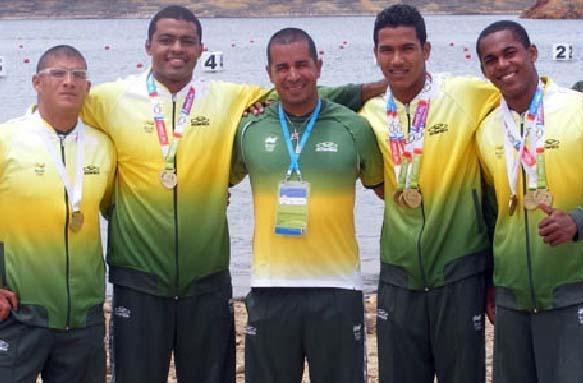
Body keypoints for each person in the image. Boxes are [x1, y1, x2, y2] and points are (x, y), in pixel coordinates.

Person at [81, 5, 385, 383]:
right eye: (167, 40)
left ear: (200, 48)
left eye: (187, 41)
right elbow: (57, 114)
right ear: (148, 46)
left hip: (208, 278)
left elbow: (296, 91)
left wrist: (376, 88)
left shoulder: (228, 99)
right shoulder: (109, 99)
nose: (177, 48)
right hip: (138, 277)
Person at [230, 27, 383, 383]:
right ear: (269, 74)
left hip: (338, 289)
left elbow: (383, 189)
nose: (293, 75)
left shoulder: (355, 128)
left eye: (302, 64)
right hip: (269, 288)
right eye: (282, 68)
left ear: (319, 65)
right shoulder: (249, 127)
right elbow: (219, 182)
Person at [358, 5, 499, 383]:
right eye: (387, 50)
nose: (397, 59)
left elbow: (527, 89)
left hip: (459, 269)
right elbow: (305, 101)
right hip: (398, 273)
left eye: (408, 48)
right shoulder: (369, 114)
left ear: (427, 50)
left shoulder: (466, 94)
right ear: (375, 54)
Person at [476, 20, 583, 383]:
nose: (503, 65)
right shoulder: (487, 128)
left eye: (510, 53)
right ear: (484, 71)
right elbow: (490, 214)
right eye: (491, 60)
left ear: (531, 53)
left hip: (570, 292)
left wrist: (577, 222)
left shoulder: (576, 109)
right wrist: (490, 282)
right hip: (511, 300)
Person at [0, 45, 115, 383]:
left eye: (78, 75)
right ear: (37, 82)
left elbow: (115, 207)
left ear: (88, 88)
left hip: (84, 318)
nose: (69, 82)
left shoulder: (103, 146)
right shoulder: (8, 139)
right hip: (20, 312)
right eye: (58, 74)